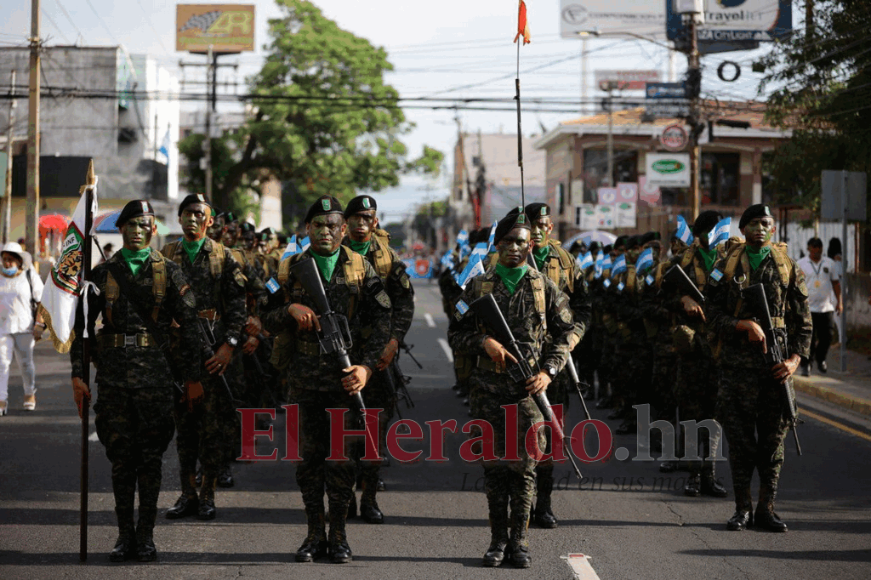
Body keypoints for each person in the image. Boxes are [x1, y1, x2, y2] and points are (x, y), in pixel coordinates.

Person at [69, 201, 203, 561]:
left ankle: (146, 535)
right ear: (122, 229)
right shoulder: (102, 274)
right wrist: (78, 376)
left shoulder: (169, 272)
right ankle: (123, 534)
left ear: (153, 230)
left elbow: (190, 327)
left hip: (155, 381)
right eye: (131, 224)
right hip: (113, 380)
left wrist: (193, 377)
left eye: (145, 224)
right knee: (121, 460)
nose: (138, 230)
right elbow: (81, 329)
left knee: (151, 460)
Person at [448, 210, 580, 568]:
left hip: (528, 395)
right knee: (493, 470)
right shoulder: (477, 286)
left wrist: (549, 372)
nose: (515, 248)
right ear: (497, 244)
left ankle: (519, 542)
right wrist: (483, 344)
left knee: (523, 471)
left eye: (521, 242)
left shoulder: (543, 287)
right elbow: (455, 333)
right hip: (488, 392)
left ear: (530, 245)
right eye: (507, 242)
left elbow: (568, 331)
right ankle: (496, 541)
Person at [264, 195, 392, 564]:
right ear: (307, 229)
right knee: (307, 462)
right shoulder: (289, 269)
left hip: (344, 382)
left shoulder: (361, 268)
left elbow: (382, 321)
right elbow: (264, 314)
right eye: (317, 225)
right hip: (304, 382)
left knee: (341, 462)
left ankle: (338, 536)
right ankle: (313, 533)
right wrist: (290, 308)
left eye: (332, 225)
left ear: (342, 230)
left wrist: (366, 368)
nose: (325, 232)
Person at [705, 204, 812, 532]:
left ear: (774, 228)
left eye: (766, 223)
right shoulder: (724, 265)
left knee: (772, 444)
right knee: (739, 443)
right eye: (753, 223)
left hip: (775, 369)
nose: (760, 228)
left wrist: (794, 360)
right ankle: (743, 509)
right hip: (737, 369)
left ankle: (766, 508)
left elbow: (803, 321)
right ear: (743, 228)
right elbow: (711, 313)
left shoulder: (788, 266)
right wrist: (742, 326)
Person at [161, 194, 247, 522]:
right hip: (178, 354)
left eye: (199, 214)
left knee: (211, 431)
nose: (192, 218)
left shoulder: (224, 257)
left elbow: (238, 306)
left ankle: (208, 494)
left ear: (210, 221)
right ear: (180, 218)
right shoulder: (166, 255)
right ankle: (187, 493)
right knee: (185, 430)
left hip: (214, 356)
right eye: (187, 213)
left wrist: (229, 346)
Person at [342, 195, 415, 524]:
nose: (360, 224)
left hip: (378, 356)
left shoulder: (387, 260)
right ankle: (343, 499)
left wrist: (393, 341)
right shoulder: (330, 254)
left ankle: (369, 498)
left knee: (374, 430)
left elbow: (404, 303)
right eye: (354, 218)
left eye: (366, 218)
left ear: (375, 222)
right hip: (339, 356)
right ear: (345, 222)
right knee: (340, 433)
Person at [518, 203, 589, 529]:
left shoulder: (567, 262)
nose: (538, 230)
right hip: (518, 362)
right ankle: (517, 505)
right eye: (533, 224)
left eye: (544, 224)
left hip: (555, 363)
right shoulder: (509, 258)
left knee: (550, 434)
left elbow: (585, 310)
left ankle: (543, 504)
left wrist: (572, 338)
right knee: (519, 436)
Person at [663, 212, 728, 497]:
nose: (715, 236)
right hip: (692, 349)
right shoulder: (682, 262)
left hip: (720, 347)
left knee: (714, 415)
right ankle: (692, 474)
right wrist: (683, 299)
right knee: (691, 413)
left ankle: (709, 474)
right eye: (710, 231)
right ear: (699, 233)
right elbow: (660, 296)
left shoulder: (729, 261)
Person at [0, 242, 44, 415]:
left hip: (25, 327)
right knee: (2, 363)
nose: (7, 263)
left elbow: (41, 301)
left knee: (25, 364)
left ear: (19, 261)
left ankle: (29, 393)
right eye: (4, 259)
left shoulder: (29, 275)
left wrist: (39, 324)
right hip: (3, 328)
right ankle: (2, 399)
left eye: (11, 259)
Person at [797, 237, 842, 375]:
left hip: (825, 307)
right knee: (808, 338)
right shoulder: (801, 264)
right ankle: (806, 365)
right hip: (808, 308)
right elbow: (796, 285)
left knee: (827, 336)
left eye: (819, 247)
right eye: (814, 247)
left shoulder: (830, 263)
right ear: (809, 248)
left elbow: (836, 284)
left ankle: (821, 359)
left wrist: (839, 302)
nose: (817, 250)